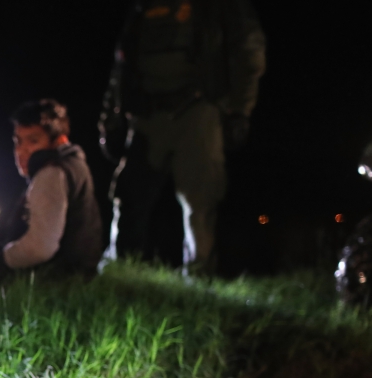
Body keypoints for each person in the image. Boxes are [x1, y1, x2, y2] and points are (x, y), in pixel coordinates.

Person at [100, 0, 266, 272]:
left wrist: (240, 110)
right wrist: (111, 118)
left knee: (201, 200)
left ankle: (201, 276)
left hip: (198, 109)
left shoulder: (220, 7)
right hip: (146, 113)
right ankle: (120, 272)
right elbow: (121, 63)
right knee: (128, 196)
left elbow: (249, 49)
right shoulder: (142, 8)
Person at [0, 99, 104, 277]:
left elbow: (41, 247)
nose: (21, 151)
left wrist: (2, 258)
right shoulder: (75, 164)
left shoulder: (52, 173)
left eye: (33, 141)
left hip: (56, 279)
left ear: (59, 141)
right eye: (18, 141)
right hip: (77, 276)